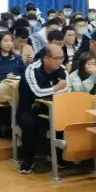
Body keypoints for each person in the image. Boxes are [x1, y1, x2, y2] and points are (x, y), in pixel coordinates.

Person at [16, 44, 70, 174]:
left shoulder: (62, 69)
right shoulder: (32, 69)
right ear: (46, 58)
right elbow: (38, 92)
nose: (60, 61)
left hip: (51, 107)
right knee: (30, 125)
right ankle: (28, 160)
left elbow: (68, 89)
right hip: (29, 108)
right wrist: (56, 88)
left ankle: (61, 157)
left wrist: (53, 92)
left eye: (62, 58)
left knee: (64, 120)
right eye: (56, 58)